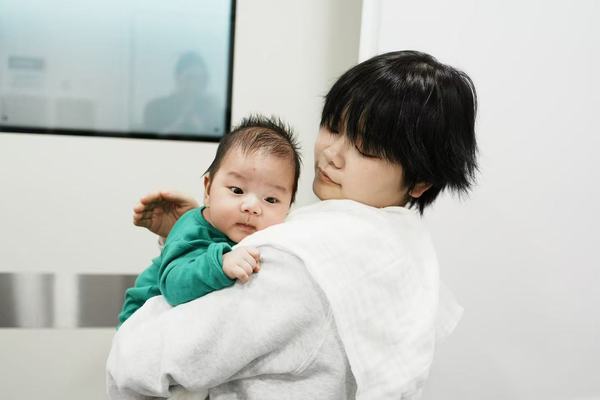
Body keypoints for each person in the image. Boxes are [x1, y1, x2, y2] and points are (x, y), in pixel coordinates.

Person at [107, 50, 478, 400]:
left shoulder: (303, 266)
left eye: (366, 147)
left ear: (420, 181)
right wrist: (198, 233)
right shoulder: (401, 252)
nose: (332, 154)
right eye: (333, 126)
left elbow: (137, 362)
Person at [118, 115, 302, 326]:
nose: (251, 206)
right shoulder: (191, 228)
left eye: (271, 199)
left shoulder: (275, 236)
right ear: (208, 189)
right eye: (237, 190)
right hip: (140, 318)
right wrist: (220, 263)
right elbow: (172, 286)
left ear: (289, 209)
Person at [143, 52, 222, 136]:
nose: (195, 83)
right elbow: (148, 141)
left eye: (201, 78)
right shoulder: (155, 108)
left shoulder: (211, 110)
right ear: (177, 78)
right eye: (190, 77)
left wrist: (201, 129)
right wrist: (175, 128)